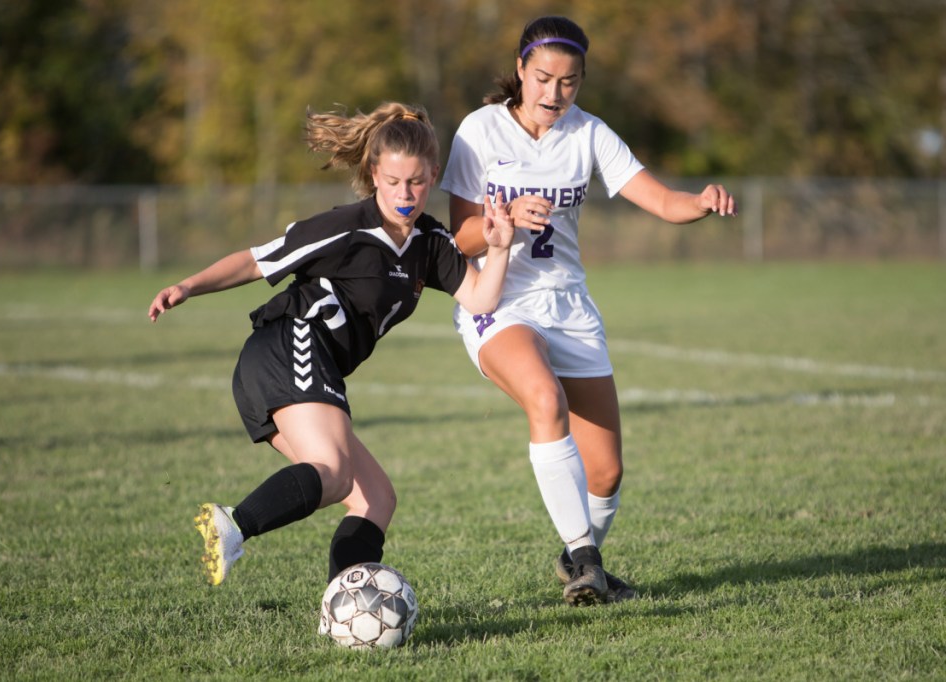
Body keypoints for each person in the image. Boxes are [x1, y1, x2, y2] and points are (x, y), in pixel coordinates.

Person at [148, 102, 515, 590]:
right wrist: (189, 286)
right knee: (335, 474)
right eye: (393, 181)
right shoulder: (346, 226)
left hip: (307, 364)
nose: (405, 194)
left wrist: (502, 247)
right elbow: (257, 261)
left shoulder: (431, 243)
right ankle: (233, 524)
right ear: (373, 174)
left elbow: (481, 298)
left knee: (375, 499)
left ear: (433, 176)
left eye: (417, 182)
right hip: (289, 344)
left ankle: (341, 607)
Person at [441, 16, 737, 607]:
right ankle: (588, 562)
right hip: (500, 301)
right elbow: (459, 238)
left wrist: (700, 202)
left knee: (605, 476)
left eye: (569, 82)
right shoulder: (479, 131)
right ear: (521, 70)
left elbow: (658, 198)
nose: (554, 94)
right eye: (544, 78)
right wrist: (499, 223)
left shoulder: (589, 134)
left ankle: (574, 557)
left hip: (570, 305)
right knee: (544, 400)